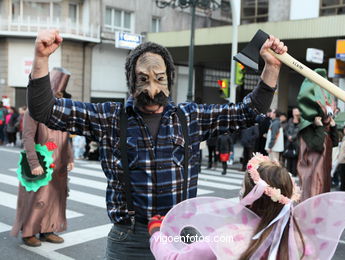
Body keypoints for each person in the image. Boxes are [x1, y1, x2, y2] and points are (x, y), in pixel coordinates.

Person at [27, 29, 286, 259]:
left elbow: (249, 112)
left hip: (181, 236)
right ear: (130, 80)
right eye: (143, 79)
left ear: (170, 79)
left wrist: (271, 67)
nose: (152, 89)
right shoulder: (108, 118)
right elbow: (44, 110)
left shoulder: (190, 118)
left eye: (159, 78)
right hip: (129, 239)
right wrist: (41, 59)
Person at [148, 153, 345, 259]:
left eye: (243, 189)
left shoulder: (228, 237)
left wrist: (157, 232)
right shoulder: (300, 240)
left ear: (251, 196)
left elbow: (174, 258)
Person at [11, 68, 74, 247]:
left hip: (59, 164)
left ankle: (48, 230)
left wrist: (70, 158)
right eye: (58, 91)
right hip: (40, 162)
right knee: (35, 198)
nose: (60, 95)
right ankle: (29, 231)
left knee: (55, 198)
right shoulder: (33, 110)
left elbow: (65, 137)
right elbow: (28, 137)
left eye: (62, 92)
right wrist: (33, 162)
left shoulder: (63, 111)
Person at [296, 68, 339, 201]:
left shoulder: (326, 124)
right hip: (312, 174)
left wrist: (333, 127)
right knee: (311, 199)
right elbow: (317, 146)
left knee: (322, 198)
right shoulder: (307, 126)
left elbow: (335, 142)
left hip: (324, 172)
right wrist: (320, 127)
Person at [284, 107, 300, 176]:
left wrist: (293, 137)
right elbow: (286, 130)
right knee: (288, 157)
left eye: (296, 111)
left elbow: (299, 132)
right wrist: (288, 136)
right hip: (289, 142)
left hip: (296, 142)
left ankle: (294, 173)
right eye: (293, 112)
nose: (294, 113)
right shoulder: (290, 120)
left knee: (295, 158)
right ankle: (289, 173)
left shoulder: (301, 121)